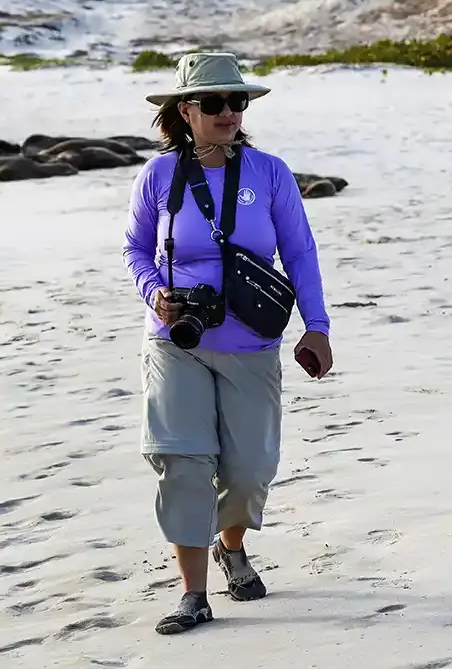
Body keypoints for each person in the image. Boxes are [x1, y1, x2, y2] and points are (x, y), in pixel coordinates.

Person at [122, 51, 334, 635]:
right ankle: (193, 594)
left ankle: (231, 542)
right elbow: (136, 250)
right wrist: (153, 295)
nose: (226, 113)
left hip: (252, 340)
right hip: (175, 339)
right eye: (212, 103)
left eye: (235, 102)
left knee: (249, 470)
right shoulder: (158, 175)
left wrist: (316, 327)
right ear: (184, 112)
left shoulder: (269, 173)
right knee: (183, 461)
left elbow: (300, 254)